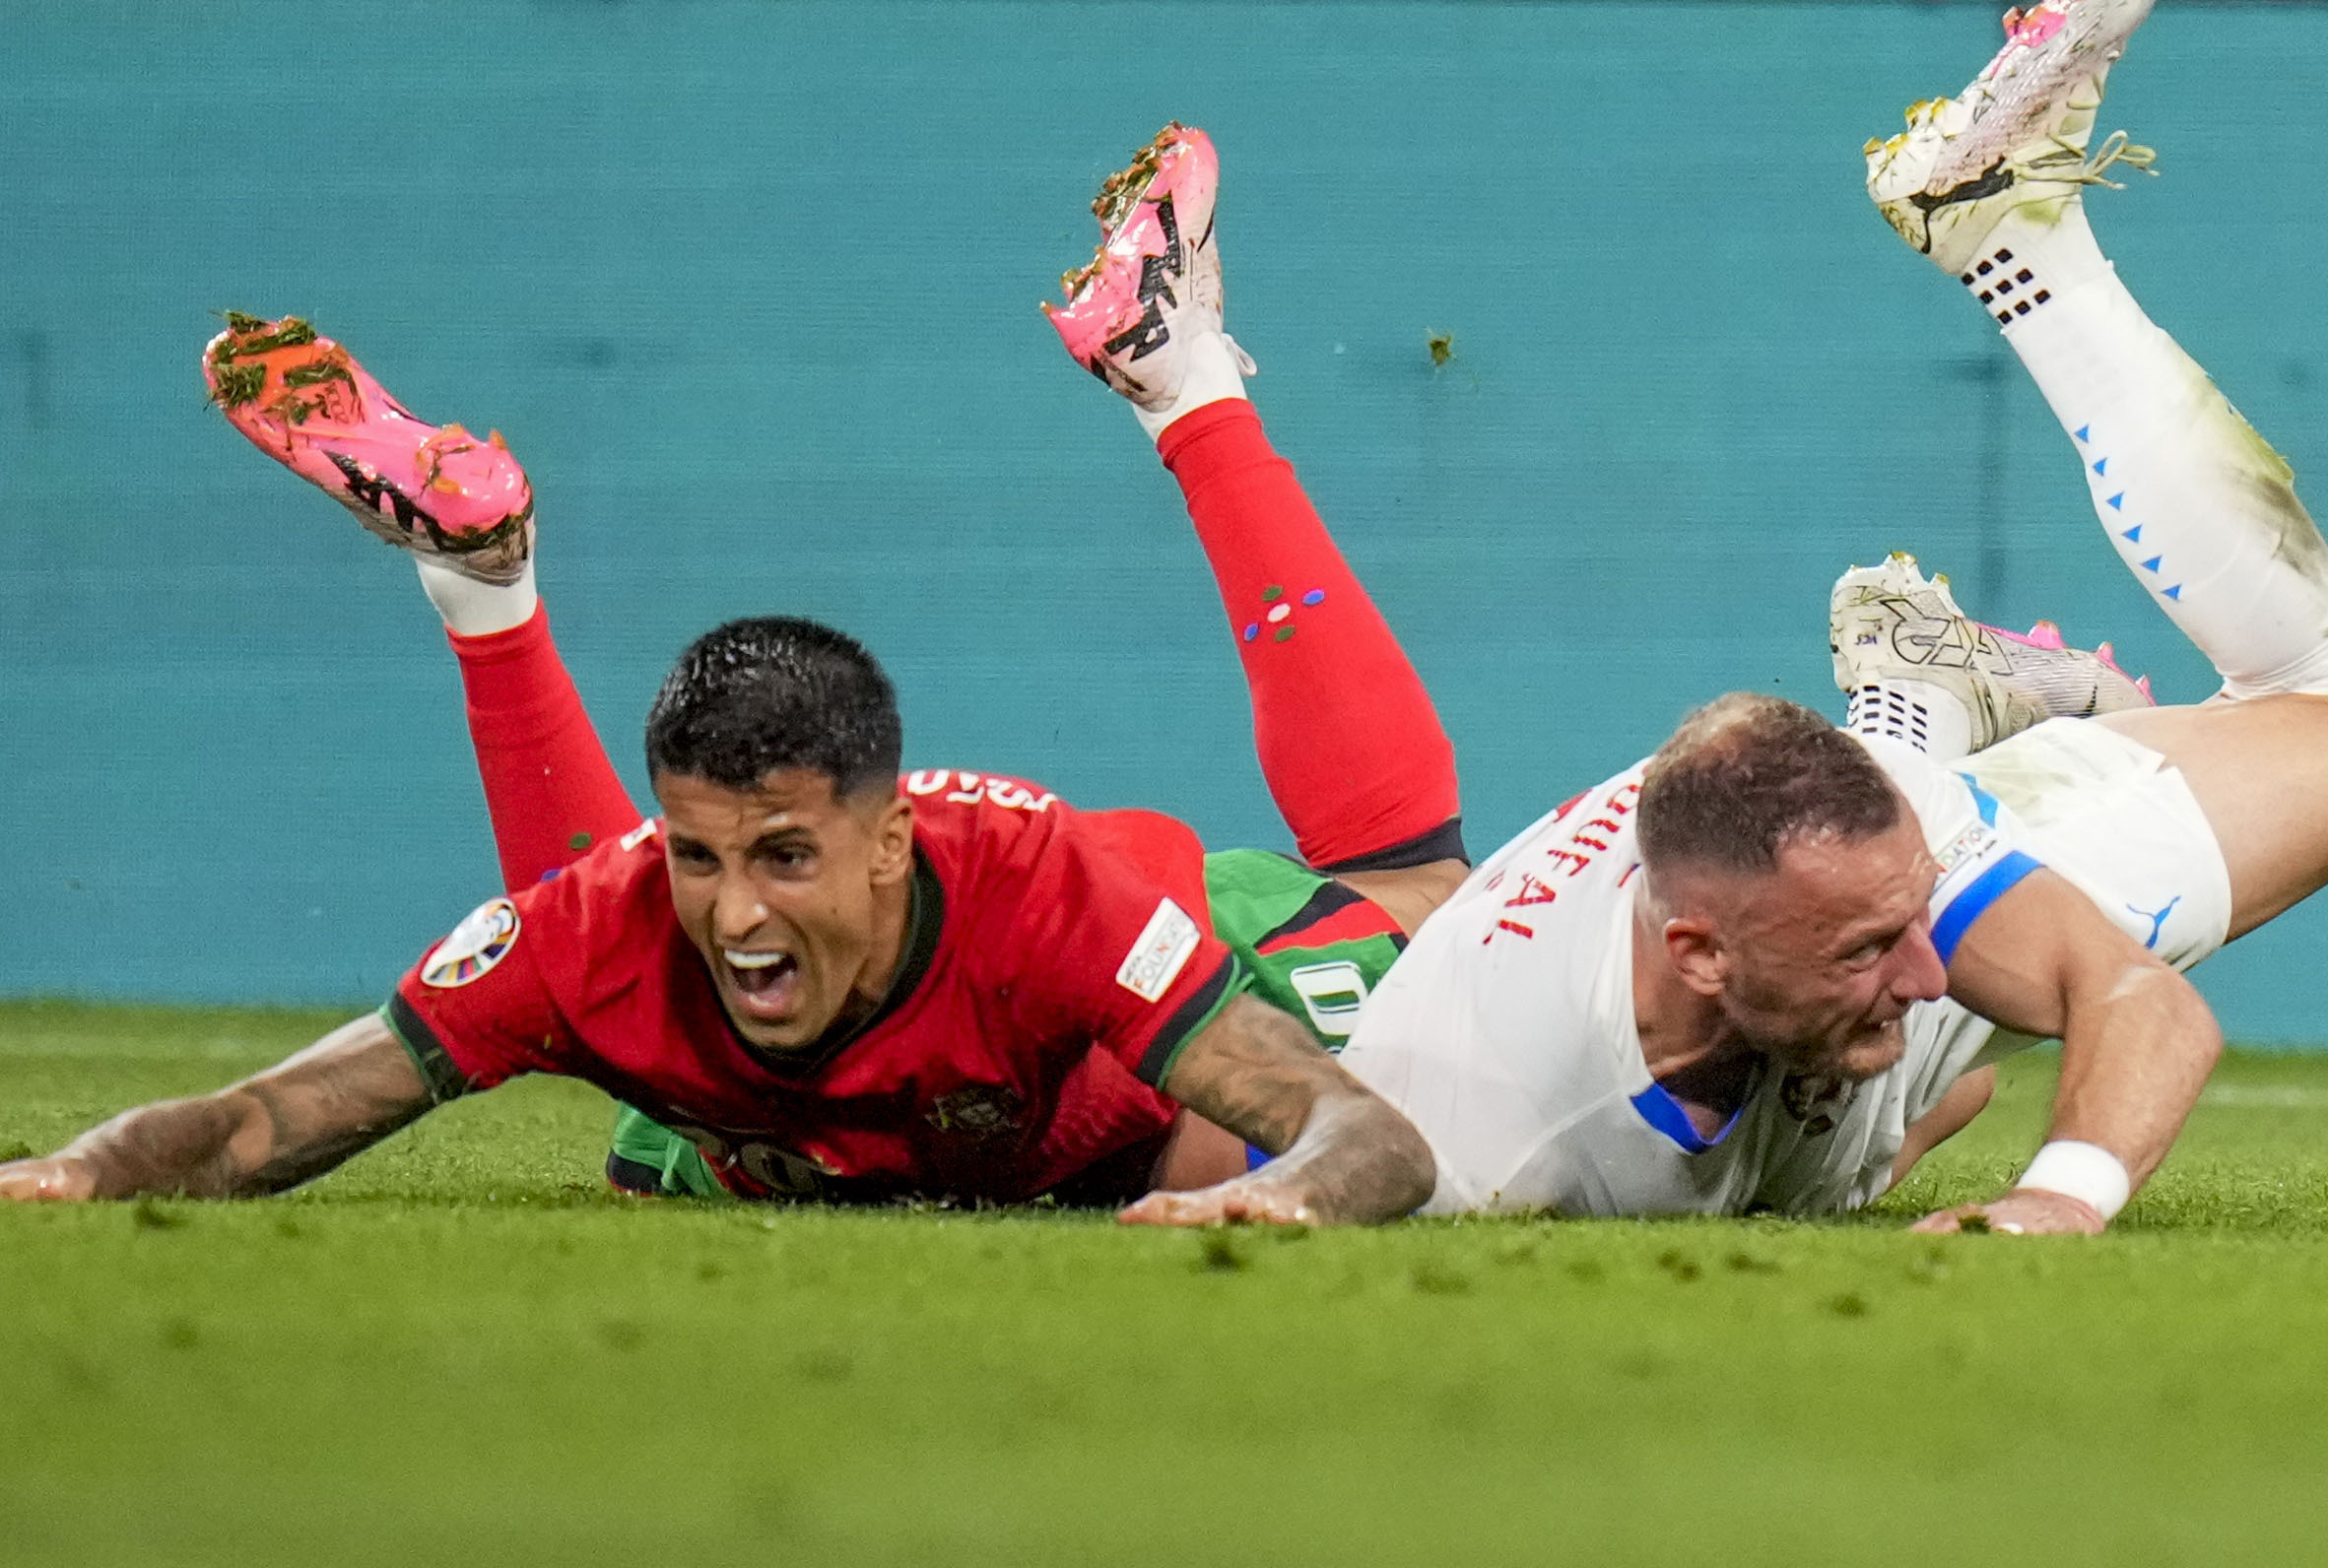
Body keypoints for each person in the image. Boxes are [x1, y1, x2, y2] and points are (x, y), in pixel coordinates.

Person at [1086, 0, 2328, 1233]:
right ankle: (1920, 699)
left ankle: (2015, 243)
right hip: (1728, 1035)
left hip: (1874, 871)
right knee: (1919, 1098)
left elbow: (2136, 1005)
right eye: (1869, 944)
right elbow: (1292, 1165)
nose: (1924, 968)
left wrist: (2062, 1197)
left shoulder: (1868, 872)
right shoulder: (1501, 1122)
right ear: (1699, 952)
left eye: (1906, 925)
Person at [0, 317, 1442, 1222]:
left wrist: (1296, 1199)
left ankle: (1190, 378)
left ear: (889, 845)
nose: (735, 910)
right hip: (823, 1137)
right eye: (699, 856)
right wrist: (84, 1166)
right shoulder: (607, 916)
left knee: (1422, 886)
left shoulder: (1050, 896)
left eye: (786, 858)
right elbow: (264, 1116)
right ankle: (480, 589)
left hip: (1186, 971)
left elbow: (1360, 1132)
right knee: (633, 1023)